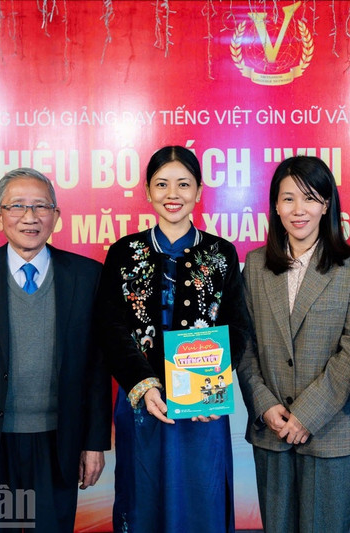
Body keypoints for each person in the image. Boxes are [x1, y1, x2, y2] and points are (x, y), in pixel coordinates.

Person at [0, 167, 112, 532]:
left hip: (58, 445)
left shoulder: (86, 276)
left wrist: (95, 443)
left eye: (41, 207)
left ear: (56, 217)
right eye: (17, 206)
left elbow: (96, 367)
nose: (30, 217)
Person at [95, 145, 250, 533]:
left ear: (199, 191)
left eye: (184, 184)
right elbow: (110, 328)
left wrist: (208, 385)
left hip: (202, 405)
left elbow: (237, 326)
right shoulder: (124, 252)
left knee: (202, 501)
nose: (172, 194)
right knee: (143, 499)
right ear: (147, 191)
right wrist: (144, 386)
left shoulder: (221, 253)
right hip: (143, 405)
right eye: (162, 184)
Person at [237, 155, 350, 533]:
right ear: (275, 206)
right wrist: (264, 405)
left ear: (326, 204)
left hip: (331, 430)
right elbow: (243, 345)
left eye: (310, 198)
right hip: (272, 428)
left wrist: (307, 415)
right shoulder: (255, 265)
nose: (299, 209)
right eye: (288, 199)